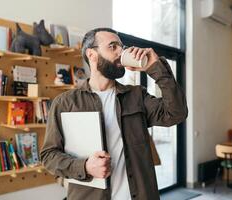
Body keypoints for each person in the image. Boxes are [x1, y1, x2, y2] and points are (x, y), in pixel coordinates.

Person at [40, 28, 188, 200]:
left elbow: (177, 113)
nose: (120, 52)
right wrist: (85, 167)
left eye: (121, 46)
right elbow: (49, 156)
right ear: (91, 54)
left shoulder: (136, 96)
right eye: (113, 46)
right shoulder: (65, 103)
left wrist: (156, 68)